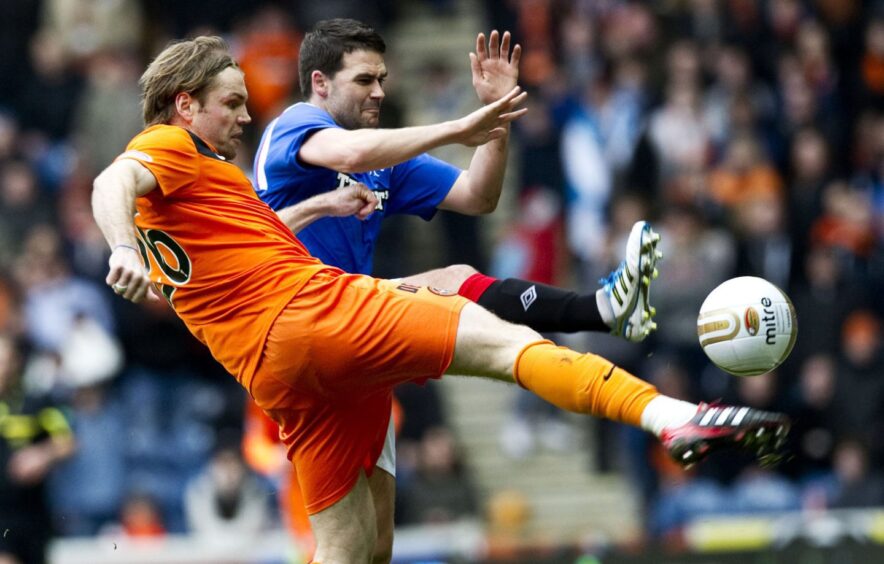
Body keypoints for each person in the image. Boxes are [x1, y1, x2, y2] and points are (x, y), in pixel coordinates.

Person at [91, 36, 790, 563]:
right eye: (231, 103)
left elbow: (256, 245)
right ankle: (673, 416)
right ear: (186, 104)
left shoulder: (208, 187)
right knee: (505, 341)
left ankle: (606, 316)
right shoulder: (173, 146)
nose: (245, 115)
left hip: (279, 371)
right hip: (323, 315)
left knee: (357, 552)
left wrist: (317, 210)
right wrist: (120, 248)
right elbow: (111, 183)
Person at [253, 20, 660, 552]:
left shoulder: (381, 160)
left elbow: (477, 195)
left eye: (382, 78)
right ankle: (601, 311)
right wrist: (457, 127)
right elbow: (350, 155)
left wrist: (495, 123)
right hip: (296, 333)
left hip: (349, 332)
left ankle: (606, 311)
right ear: (320, 83)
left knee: (372, 551)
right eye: (363, 80)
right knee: (455, 281)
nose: (379, 90)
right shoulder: (294, 124)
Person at [0, 334, 76, 564]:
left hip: (32, 514)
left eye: (3, 362)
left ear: (16, 364)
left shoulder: (36, 401)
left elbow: (69, 443)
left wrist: (42, 455)